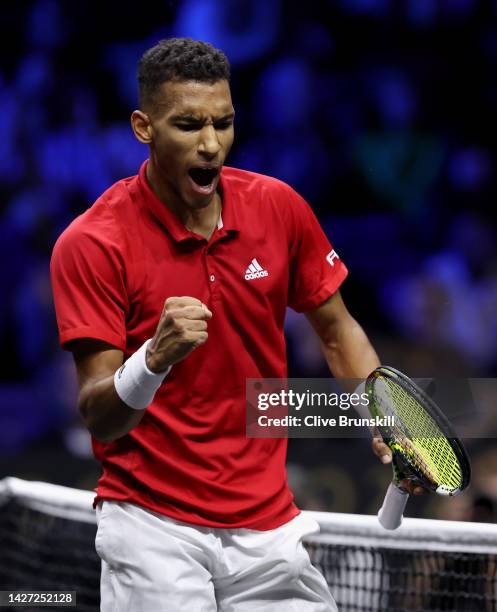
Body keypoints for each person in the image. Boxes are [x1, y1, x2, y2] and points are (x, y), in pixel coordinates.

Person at [50, 37, 421, 611]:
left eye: (223, 124)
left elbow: (337, 328)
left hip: (268, 526)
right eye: (188, 125)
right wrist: (151, 360)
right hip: (152, 528)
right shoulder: (93, 243)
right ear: (143, 127)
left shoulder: (279, 208)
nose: (210, 145)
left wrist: (388, 416)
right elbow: (101, 414)